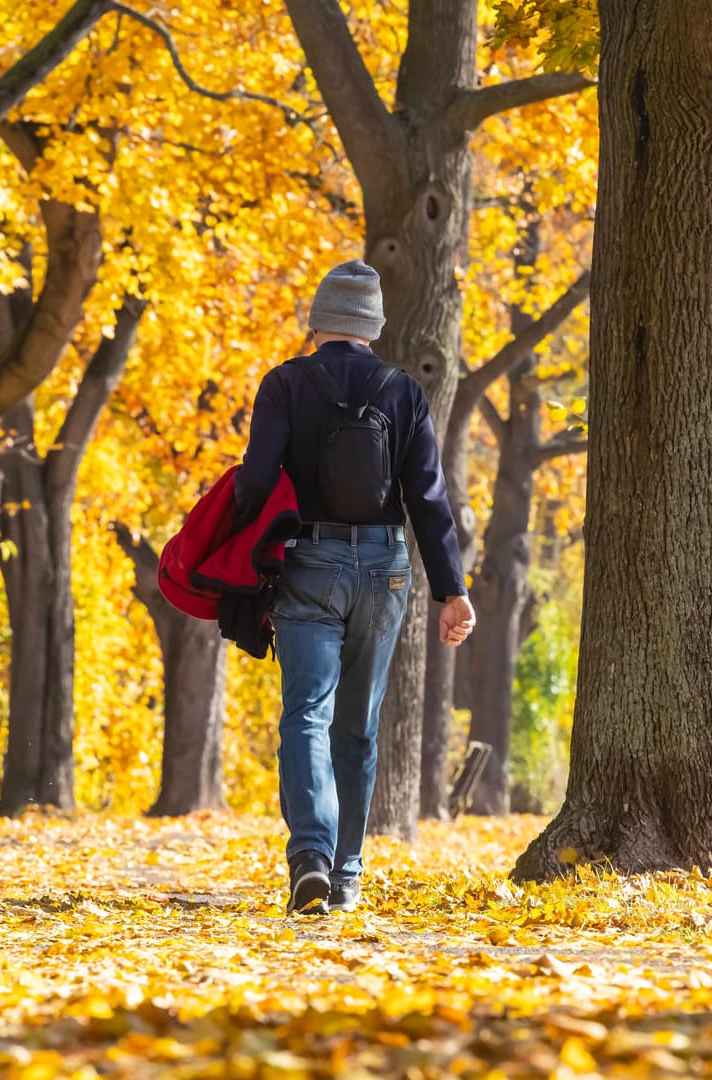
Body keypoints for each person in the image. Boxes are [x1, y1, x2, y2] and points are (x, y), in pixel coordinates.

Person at [234, 259, 476, 915]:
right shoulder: (402, 391)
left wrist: (237, 545)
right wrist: (451, 589)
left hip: (309, 564)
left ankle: (308, 856)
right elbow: (427, 496)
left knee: (305, 715)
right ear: (372, 325)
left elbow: (255, 481)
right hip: (384, 568)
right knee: (358, 729)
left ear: (319, 322)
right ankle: (346, 874)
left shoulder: (284, 384)